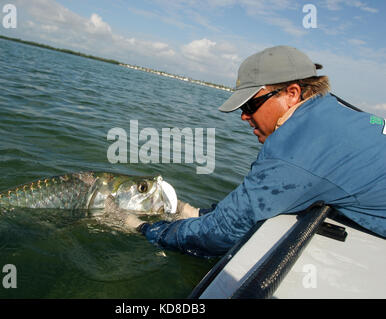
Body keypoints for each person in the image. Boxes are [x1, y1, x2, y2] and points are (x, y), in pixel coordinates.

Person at [125, 45, 386, 258]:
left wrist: (145, 228)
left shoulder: (297, 146)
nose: (244, 117)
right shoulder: (329, 111)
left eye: (250, 104)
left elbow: (218, 235)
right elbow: (255, 198)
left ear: (292, 93)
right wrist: (195, 212)